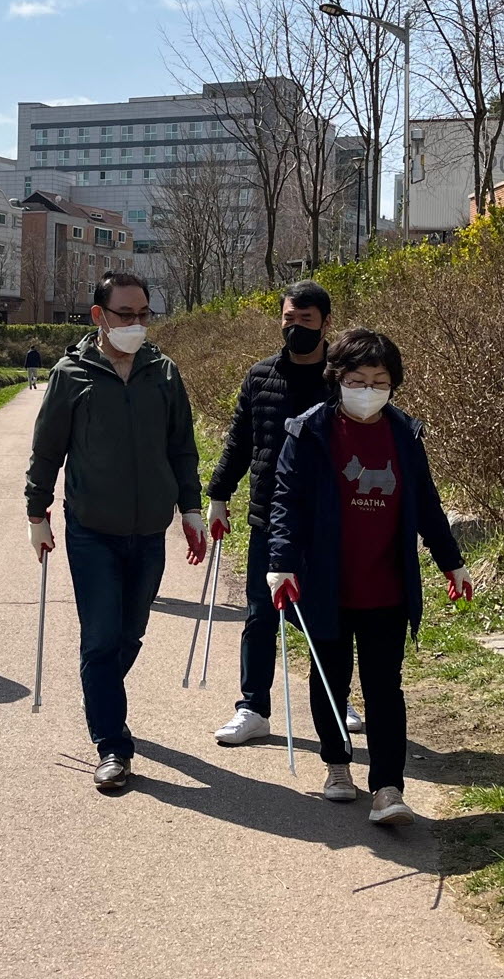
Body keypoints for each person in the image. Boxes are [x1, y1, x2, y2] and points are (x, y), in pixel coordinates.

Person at [265, 329, 472, 826]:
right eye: (357, 379)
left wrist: (452, 562)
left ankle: (387, 788)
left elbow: (426, 503)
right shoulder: (309, 432)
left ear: (393, 385)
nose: (369, 389)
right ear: (337, 380)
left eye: (380, 381)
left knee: (385, 688)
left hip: (387, 587)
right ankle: (337, 766)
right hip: (325, 584)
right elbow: (285, 503)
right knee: (330, 678)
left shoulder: (404, 434)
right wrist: (280, 563)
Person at [25, 272, 207, 792]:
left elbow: (182, 448)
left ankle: (100, 692)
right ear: (98, 315)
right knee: (102, 639)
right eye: (125, 314)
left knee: (131, 634)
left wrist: (190, 510)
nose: (136, 324)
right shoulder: (70, 375)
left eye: (143, 314)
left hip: (149, 531)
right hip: (92, 531)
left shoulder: (164, 374)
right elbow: (47, 450)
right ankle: (111, 743)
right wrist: (37, 515)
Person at [204, 280, 363, 747]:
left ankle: (335, 697)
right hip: (267, 520)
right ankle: (253, 707)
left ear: (326, 323)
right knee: (259, 615)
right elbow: (239, 442)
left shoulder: (344, 382)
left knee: (325, 616)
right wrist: (218, 495)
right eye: (289, 320)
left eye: (306, 321)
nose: (296, 329)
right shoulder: (259, 377)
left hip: (328, 522)